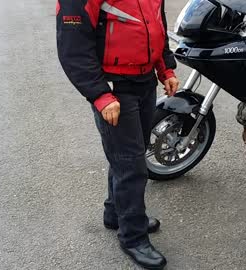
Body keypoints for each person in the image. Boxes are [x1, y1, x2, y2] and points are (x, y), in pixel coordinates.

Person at [56, 0, 179, 269]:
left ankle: (116, 213)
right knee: (131, 164)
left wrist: (165, 68)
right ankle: (133, 236)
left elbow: (156, 24)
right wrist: (100, 95)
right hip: (114, 87)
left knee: (130, 154)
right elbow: (72, 48)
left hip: (145, 80)